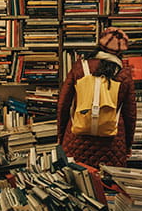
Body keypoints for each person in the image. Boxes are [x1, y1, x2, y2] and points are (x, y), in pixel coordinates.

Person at [57, 27, 137, 168]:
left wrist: (61, 136)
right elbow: (130, 114)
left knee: (75, 183)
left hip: (76, 139)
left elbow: (63, 105)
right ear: (121, 51)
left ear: (99, 44)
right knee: (109, 186)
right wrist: (127, 144)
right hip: (112, 143)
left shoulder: (79, 68)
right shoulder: (124, 74)